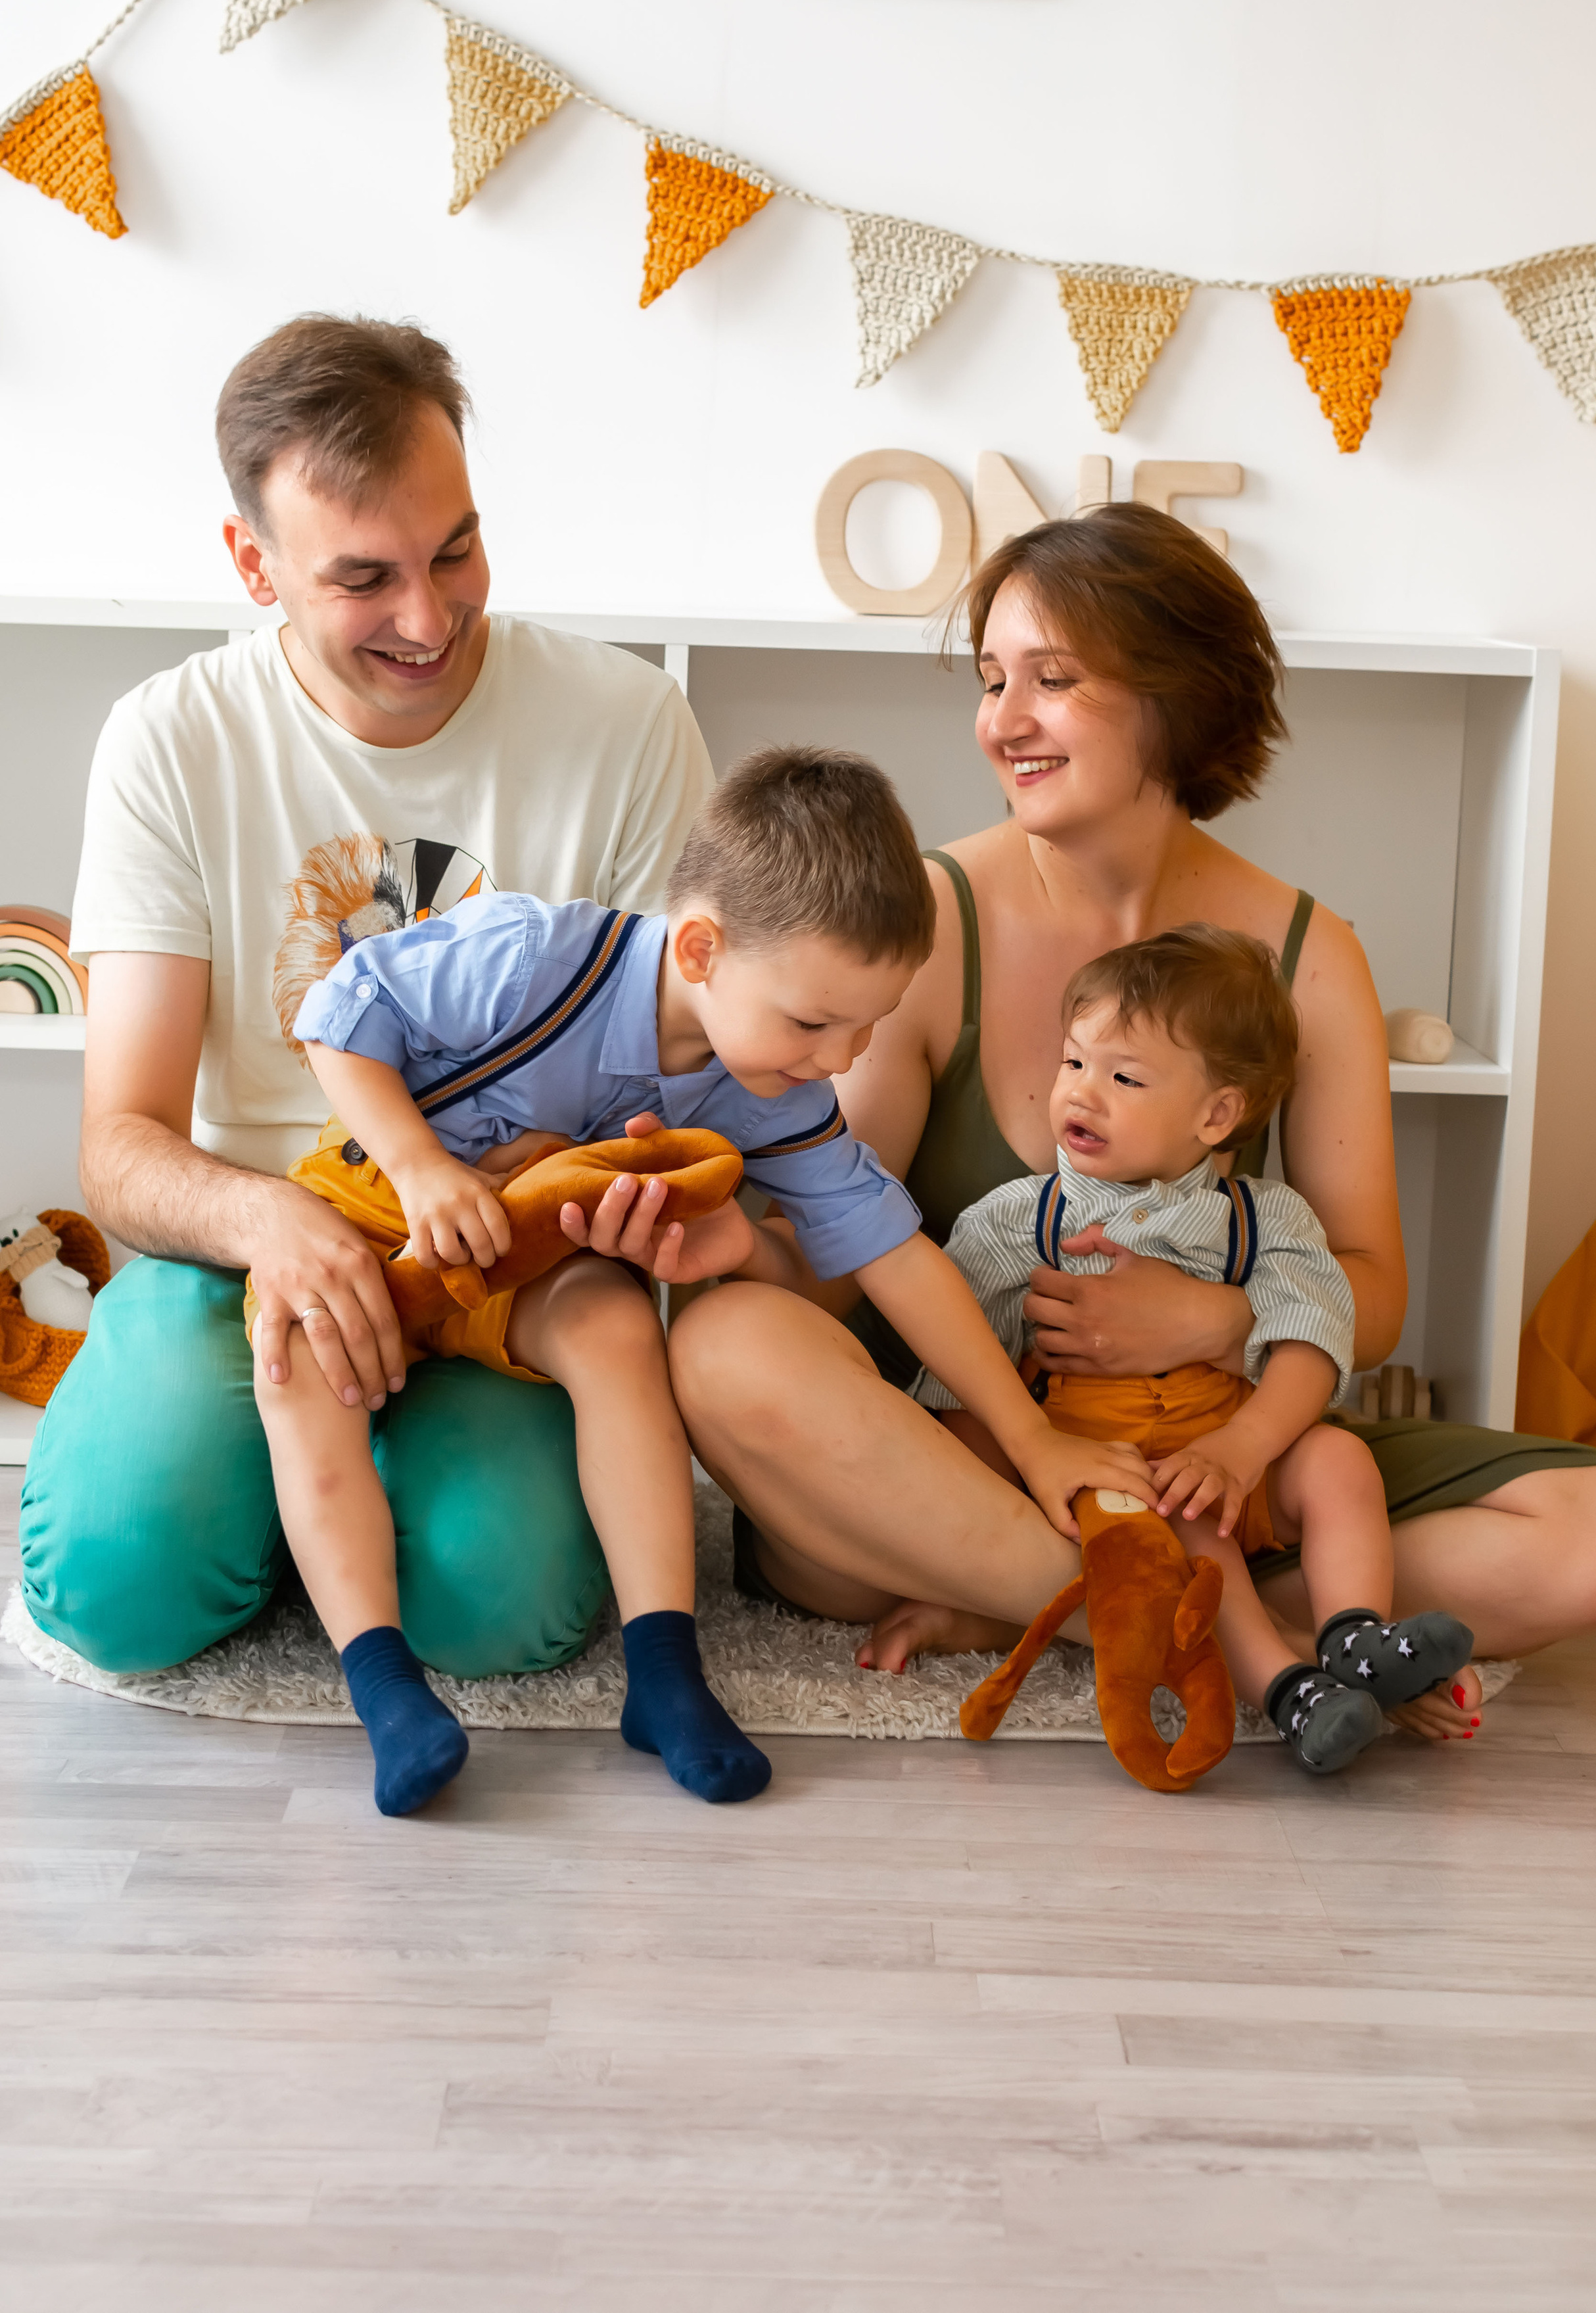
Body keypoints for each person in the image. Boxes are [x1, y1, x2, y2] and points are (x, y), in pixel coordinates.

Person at [659, 506, 1596, 1722]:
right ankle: (1221, 1630)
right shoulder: (929, 921)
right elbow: (838, 1262)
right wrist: (741, 1252)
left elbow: (1374, 1292)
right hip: (975, 1464)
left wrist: (1217, 1316)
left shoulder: (1308, 953)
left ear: (1177, 697)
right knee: (723, 1352)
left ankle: (1066, 1612)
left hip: (1216, 1452)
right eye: (992, 680)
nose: (1003, 721)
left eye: (1055, 679)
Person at [258, 747, 1156, 1811]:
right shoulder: (533, 958)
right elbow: (337, 1013)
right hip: (376, 1209)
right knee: (301, 1368)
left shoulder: (773, 1089)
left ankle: (665, 1672)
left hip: (535, 1263)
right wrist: (418, 1171)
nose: (842, 1058)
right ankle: (386, 1688)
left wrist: (1033, 1437)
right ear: (699, 950)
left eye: (868, 1025)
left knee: (623, 1333)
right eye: (817, 1022)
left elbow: (894, 1255)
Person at [20, 315, 711, 1684]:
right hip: (241, 1253)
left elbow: (682, 1076)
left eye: (453, 549)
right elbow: (126, 1142)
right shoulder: (172, 738)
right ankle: (273, 1495)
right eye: (362, 579)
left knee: (507, 1615)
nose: (427, 617)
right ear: (252, 564)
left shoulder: (628, 726)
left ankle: (326, 1513)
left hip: (499, 1274)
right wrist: (279, 1226)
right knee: (113, 1593)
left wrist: (601, 1188)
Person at [909, 925, 1473, 1773]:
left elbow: (1314, 1339)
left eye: (1124, 1077)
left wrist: (1243, 1449)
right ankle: (1289, 1689)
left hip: (1240, 1456)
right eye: (1074, 1064)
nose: (1082, 1095)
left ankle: (1357, 1636)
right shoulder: (1017, 1220)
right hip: (1120, 1483)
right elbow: (957, 1375)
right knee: (1192, 1537)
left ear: (1217, 1114)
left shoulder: (1265, 1219)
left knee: (1342, 1463)